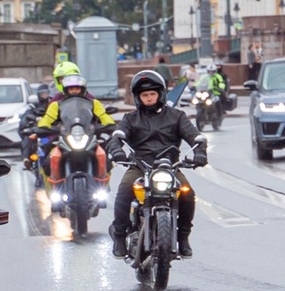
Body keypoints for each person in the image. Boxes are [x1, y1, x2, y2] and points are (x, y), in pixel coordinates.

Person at [108, 69, 200, 261]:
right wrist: (117, 150)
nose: (149, 98)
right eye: (144, 95)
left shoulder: (177, 116)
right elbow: (117, 137)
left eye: (152, 94)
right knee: (125, 190)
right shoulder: (130, 119)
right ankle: (118, 235)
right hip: (140, 166)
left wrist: (200, 151)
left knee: (187, 193)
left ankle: (183, 237)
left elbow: (194, 136)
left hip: (170, 168)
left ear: (161, 94)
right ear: (138, 97)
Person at [33, 64, 116, 183]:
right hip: (64, 138)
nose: (74, 91)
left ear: (82, 89)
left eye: (77, 88)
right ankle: (52, 191)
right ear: (66, 89)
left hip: (89, 138)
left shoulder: (93, 102)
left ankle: (103, 185)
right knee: (47, 163)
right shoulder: (56, 103)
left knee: (106, 160)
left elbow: (104, 116)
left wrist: (109, 126)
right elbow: (48, 118)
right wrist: (44, 127)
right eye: (71, 89)